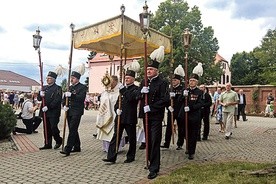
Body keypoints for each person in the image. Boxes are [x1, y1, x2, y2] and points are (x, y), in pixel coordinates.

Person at [138, 46, 170, 179]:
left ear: (157, 70)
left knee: (155, 140)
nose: (148, 71)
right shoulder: (143, 82)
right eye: (147, 69)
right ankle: (149, 161)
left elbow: (165, 99)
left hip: (156, 116)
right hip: (145, 116)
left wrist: (151, 107)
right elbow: (137, 96)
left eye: (151, 69)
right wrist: (140, 92)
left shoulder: (162, 83)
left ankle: (154, 168)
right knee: (148, 141)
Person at [102, 66, 140, 164]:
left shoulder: (136, 89)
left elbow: (131, 98)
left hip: (130, 118)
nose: (126, 79)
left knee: (131, 138)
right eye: (125, 78)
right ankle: (111, 157)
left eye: (128, 78)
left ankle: (131, 156)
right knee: (116, 137)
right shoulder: (122, 90)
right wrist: (117, 109)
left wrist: (123, 90)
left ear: (133, 79)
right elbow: (117, 102)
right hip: (120, 117)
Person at [60, 70, 87, 156]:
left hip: (77, 111)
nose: (71, 79)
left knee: (72, 129)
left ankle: (67, 148)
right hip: (69, 111)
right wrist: (64, 104)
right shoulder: (69, 88)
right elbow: (64, 98)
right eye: (71, 78)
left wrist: (72, 95)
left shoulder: (82, 87)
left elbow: (81, 98)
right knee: (73, 129)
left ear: (78, 79)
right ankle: (77, 146)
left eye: (73, 78)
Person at [178, 73, 204, 160]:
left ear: (197, 82)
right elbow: (179, 101)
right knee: (185, 133)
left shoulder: (199, 92)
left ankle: (191, 152)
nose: (191, 82)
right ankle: (188, 147)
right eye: (190, 81)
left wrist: (191, 108)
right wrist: (183, 95)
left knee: (193, 135)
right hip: (184, 116)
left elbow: (200, 104)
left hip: (193, 116)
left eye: (193, 81)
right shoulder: (185, 90)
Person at [96, 75, 125, 152]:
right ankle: (106, 147)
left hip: (115, 113)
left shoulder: (119, 91)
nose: (110, 84)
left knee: (114, 132)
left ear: (115, 81)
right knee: (106, 132)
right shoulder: (105, 92)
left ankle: (116, 148)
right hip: (106, 114)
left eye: (112, 82)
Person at [160, 65, 184, 150]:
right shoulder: (169, 89)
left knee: (181, 128)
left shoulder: (182, 89)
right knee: (169, 128)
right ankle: (166, 143)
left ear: (179, 81)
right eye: (172, 80)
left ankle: (180, 144)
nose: (173, 82)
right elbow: (166, 99)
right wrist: (168, 106)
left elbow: (183, 101)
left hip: (180, 111)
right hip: (171, 110)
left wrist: (177, 97)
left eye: (175, 80)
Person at [37, 71, 63, 150]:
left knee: (53, 127)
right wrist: (40, 94)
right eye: (47, 78)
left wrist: (49, 107)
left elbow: (57, 100)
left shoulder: (58, 88)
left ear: (54, 79)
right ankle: (47, 143)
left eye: (49, 78)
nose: (48, 80)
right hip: (45, 112)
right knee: (46, 128)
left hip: (53, 112)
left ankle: (58, 140)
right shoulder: (44, 88)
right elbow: (39, 99)